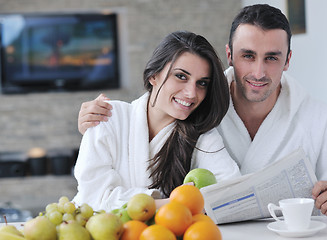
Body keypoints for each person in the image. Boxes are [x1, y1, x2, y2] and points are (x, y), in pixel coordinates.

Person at [77, 4, 327, 220]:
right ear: (229, 55)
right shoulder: (199, 112)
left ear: (287, 60)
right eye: (248, 55)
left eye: (271, 58)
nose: (259, 72)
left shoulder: (319, 119)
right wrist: (98, 128)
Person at [73, 30, 240, 212]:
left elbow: (231, 193)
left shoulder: (202, 135)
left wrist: (149, 205)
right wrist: (174, 202)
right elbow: (93, 199)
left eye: (202, 83)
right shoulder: (108, 117)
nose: (192, 93)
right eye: (181, 76)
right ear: (154, 75)